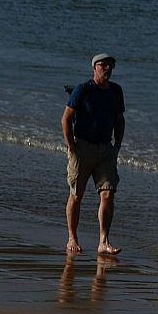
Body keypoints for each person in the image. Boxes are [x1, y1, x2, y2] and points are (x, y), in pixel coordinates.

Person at [62, 53, 125, 255]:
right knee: (76, 195)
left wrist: (117, 146)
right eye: (103, 65)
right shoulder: (83, 89)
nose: (107, 69)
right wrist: (71, 146)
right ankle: (72, 238)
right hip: (82, 148)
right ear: (94, 67)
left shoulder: (116, 91)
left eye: (110, 66)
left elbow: (120, 120)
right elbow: (66, 119)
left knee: (108, 193)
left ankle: (103, 242)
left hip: (105, 150)